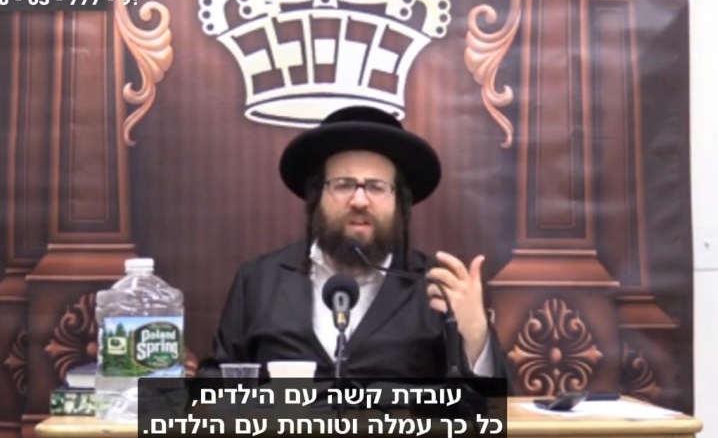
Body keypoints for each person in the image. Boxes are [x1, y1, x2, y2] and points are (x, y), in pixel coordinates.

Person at [197, 105, 511, 384]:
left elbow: (490, 411)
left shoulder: (437, 289)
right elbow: (213, 386)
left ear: (398, 203)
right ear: (317, 197)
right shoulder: (259, 280)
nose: (359, 200)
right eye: (344, 185)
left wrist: (475, 337)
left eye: (376, 187)